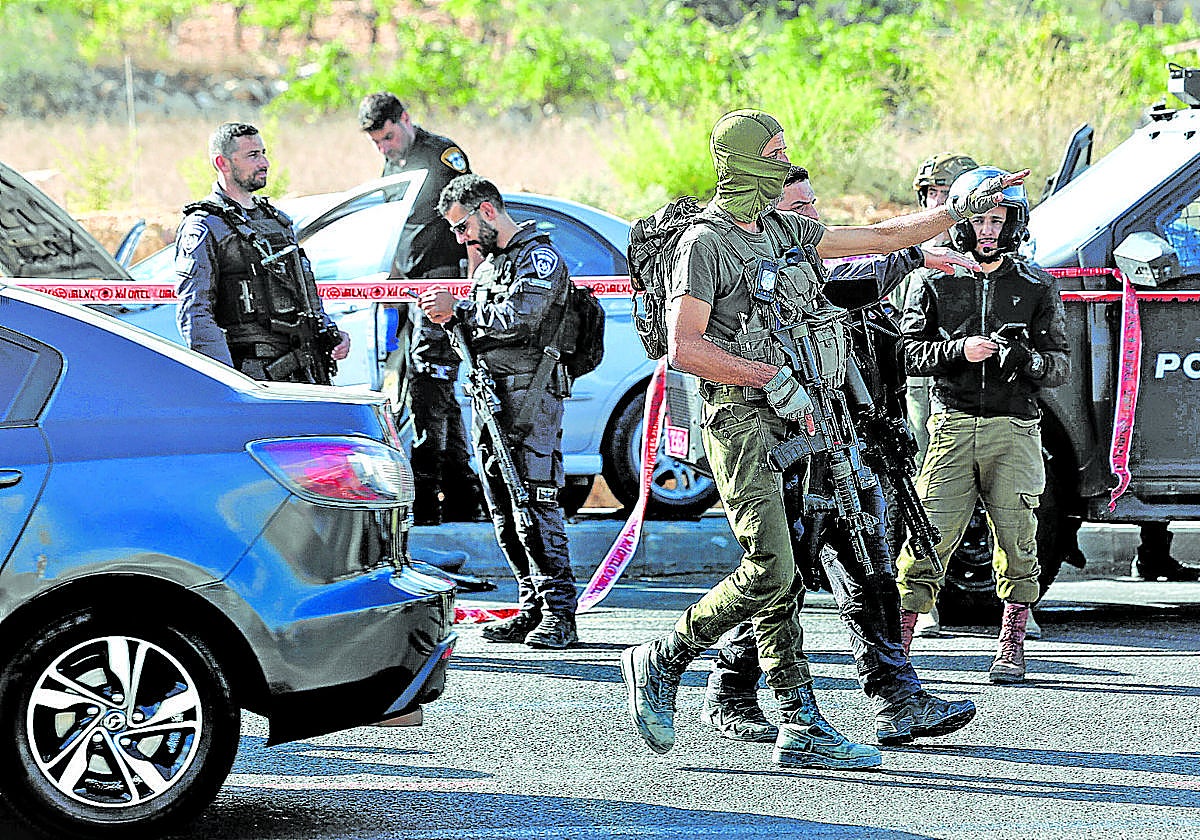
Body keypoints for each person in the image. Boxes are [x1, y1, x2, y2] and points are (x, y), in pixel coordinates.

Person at [620, 109, 1028, 769]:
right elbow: (684, 347)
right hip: (742, 421)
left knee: (789, 575)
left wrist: (961, 209)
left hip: (801, 420)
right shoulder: (705, 243)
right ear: (739, 161)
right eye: (773, 153)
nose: (784, 163)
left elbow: (881, 236)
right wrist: (769, 377)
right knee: (772, 568)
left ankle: (800, 722)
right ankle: (666, 655)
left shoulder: (783, 230)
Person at [700, 164, 981, 745]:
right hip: (785, 451)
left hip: (844, 443)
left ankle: (896, 698)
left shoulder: (809, 270)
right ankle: (729, 688)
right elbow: (861, 275)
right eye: (796, 208)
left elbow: (869, 287)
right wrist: (913, 255)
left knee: (869, 569)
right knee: (783, 575)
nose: (810, 217)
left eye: (811, 204)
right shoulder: (771, 279)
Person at [894, 165, 1070, 684]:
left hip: (1015, 429)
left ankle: (1011, 644)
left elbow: (1059, 365)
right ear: (962, 223)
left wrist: (1027, 361)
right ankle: (898, 650)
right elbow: (907, 353)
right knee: (928, 538)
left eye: (998, 219)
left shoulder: (1037, 285)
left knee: (1018, 539)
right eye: (979, 219)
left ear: (1014, 222)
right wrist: (959, 351)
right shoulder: (933, 281)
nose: (988, 230)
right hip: (951, 425)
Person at [417, 174, 580, 649]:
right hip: (491, 397)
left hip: (531, 396)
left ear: (486, 210)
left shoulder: (539, 258)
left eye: (462, 226)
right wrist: (448, 319)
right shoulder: (489, 267)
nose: (460, 238)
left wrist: (460, 311)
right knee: (504, 507)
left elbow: (519, 319)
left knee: (535, 500)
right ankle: (532, 606)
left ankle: (560, 613)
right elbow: (477, 333)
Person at [359, 92, 484, 526]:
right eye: (377, 142)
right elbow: (398, 231)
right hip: (411, 293)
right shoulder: (393, 165)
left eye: (388, 137)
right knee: (438, 393)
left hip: (442, 286)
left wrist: (470, 284)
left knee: (428, 387)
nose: (384, 148)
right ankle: (463, 494)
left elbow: (471, 221)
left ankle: (427, 496)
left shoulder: (441, 156)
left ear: (406, 120)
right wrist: (391, 284)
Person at [175, 121, 349, 382]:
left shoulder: (276, 220)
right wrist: (228, 383)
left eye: (264, 153)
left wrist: (330, 332)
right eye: (253, 155)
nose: (264, 163)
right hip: (253, 376)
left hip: (305, 373)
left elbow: (301, 289)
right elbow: (195, 314)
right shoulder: (204, 226)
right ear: (222, 163)